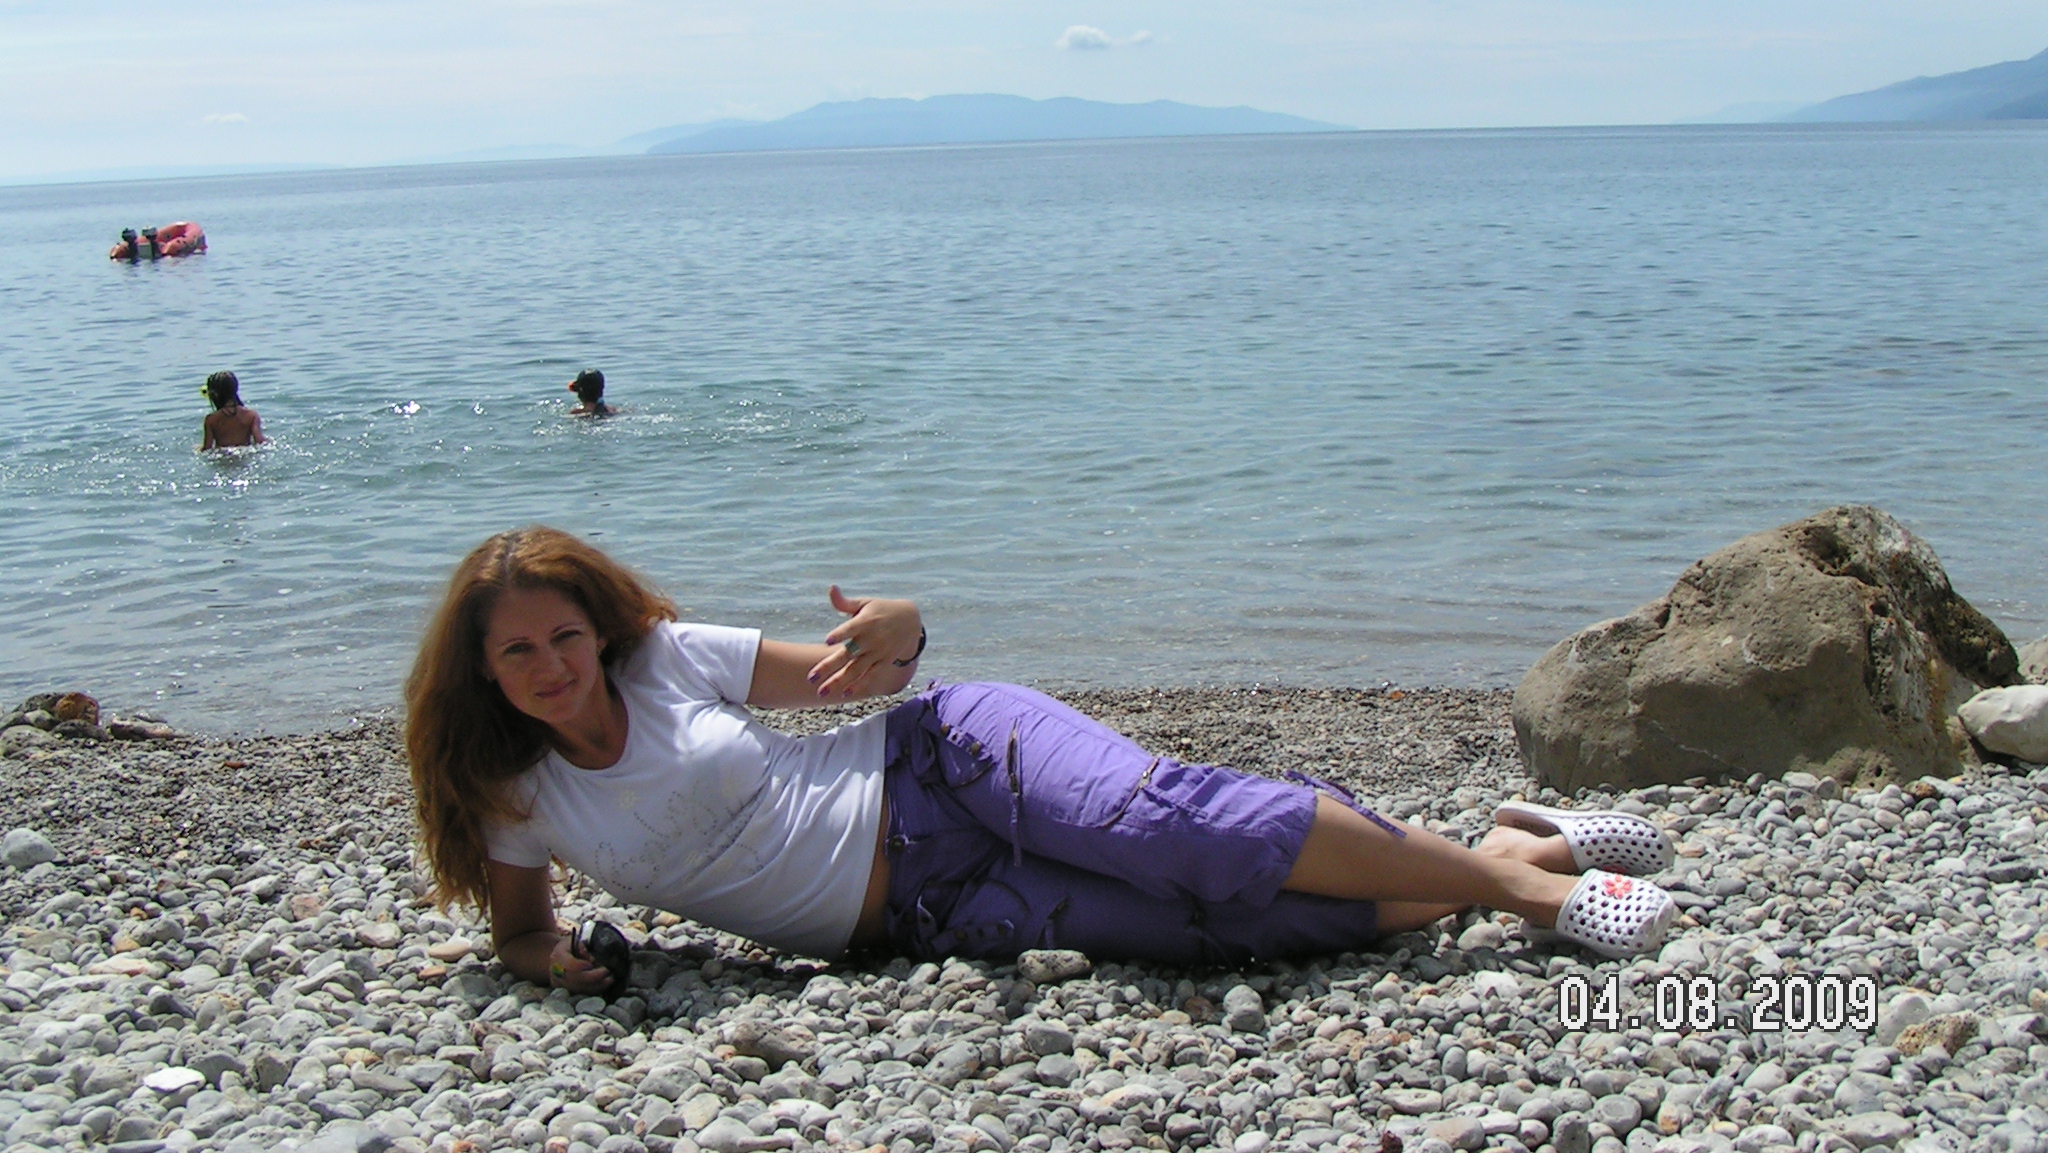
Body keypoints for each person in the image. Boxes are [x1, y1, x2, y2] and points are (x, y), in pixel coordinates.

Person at [405, 528, 1680, 995]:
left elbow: (867, 676)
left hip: (940, 761)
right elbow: (520, 931)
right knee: (1224, 931)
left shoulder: (667, 660)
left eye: (563, 636)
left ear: (597, 628)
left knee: (1183, 831)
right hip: (924, 910)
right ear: (482, 670)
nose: (551, 666)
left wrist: (901, 627)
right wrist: (553, 962)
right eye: (518, 652)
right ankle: (1509, 840)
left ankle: (1524, 893)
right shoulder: (512, 793)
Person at [200, 371, 265, 450]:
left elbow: (207, 448)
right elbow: (259, 441)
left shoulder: (211, 420)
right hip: (245, 454)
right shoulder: (251, 416)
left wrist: (198, 449)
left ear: (215, 394)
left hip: (223, 455)